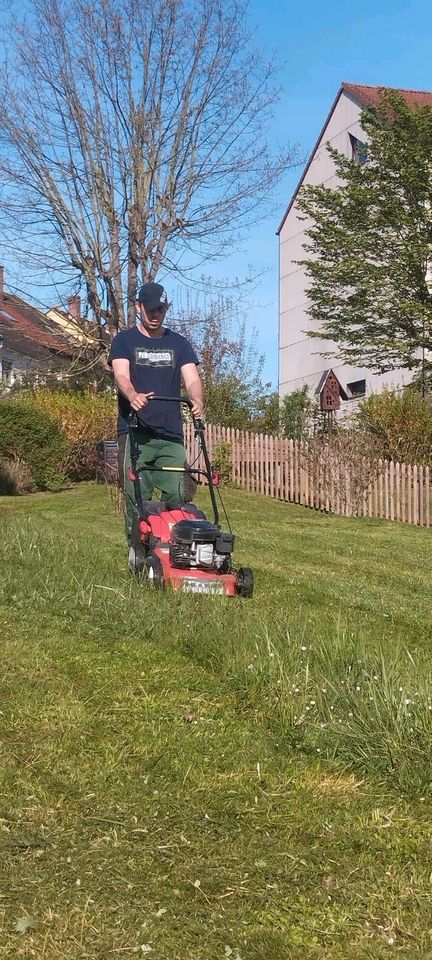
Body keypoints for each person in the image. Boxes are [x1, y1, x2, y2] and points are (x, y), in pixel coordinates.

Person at [108, 281, 204, 559]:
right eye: (150, 309)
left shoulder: (179, 344)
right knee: (137, 494)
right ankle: (137, 550)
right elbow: (121, 375)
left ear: (166, 309)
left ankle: (172, 550)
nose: (155, 314)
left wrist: (197, 400)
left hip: (170, 434)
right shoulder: (124, 341)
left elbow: (193, 379)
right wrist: (132, 394)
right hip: (136, 431)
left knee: (177, 495)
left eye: (160, 309)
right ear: (139, 307)